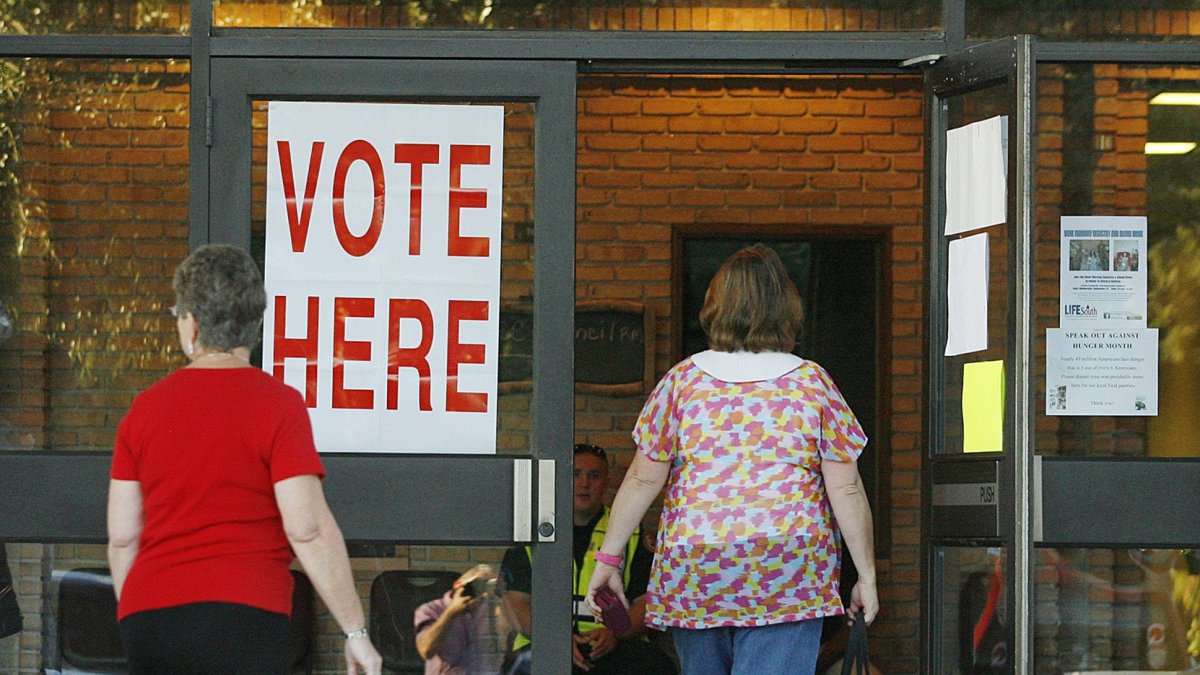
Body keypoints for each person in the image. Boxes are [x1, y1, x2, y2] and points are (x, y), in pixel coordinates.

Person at [584, 244, 879, 675]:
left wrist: (608, 561)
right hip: (789, 566)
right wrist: (865, 575)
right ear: (787, 308)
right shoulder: (812, 383)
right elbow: (846, 486)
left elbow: (643, 480)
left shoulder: (682, 381)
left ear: (715, 306)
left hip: (696, 563)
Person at [106, 244, 382, 675]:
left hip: (151, 617)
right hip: (246, 616)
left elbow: (123, 537)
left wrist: (140, 612)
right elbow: (307, 530)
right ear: (255, 323)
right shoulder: (278, 406)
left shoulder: (143, 409)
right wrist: (356, 633)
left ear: (191, 323)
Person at [497, 443, 675, 675]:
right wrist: (556, 641)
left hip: (613, 644)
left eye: (594, 475)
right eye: (576, 474)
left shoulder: (632, 532)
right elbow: (516, 605)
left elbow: (648, 603)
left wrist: (615, 633)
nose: (584, 483)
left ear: (606, 483)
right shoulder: (533, 531)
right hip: (545, 645)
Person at [414, 564, 496, 675]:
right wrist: (451, 612)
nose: (483, 594)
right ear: (459, 585)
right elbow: (426, 651)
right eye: (478, 586)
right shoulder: (431, 610)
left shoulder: (489, 612)